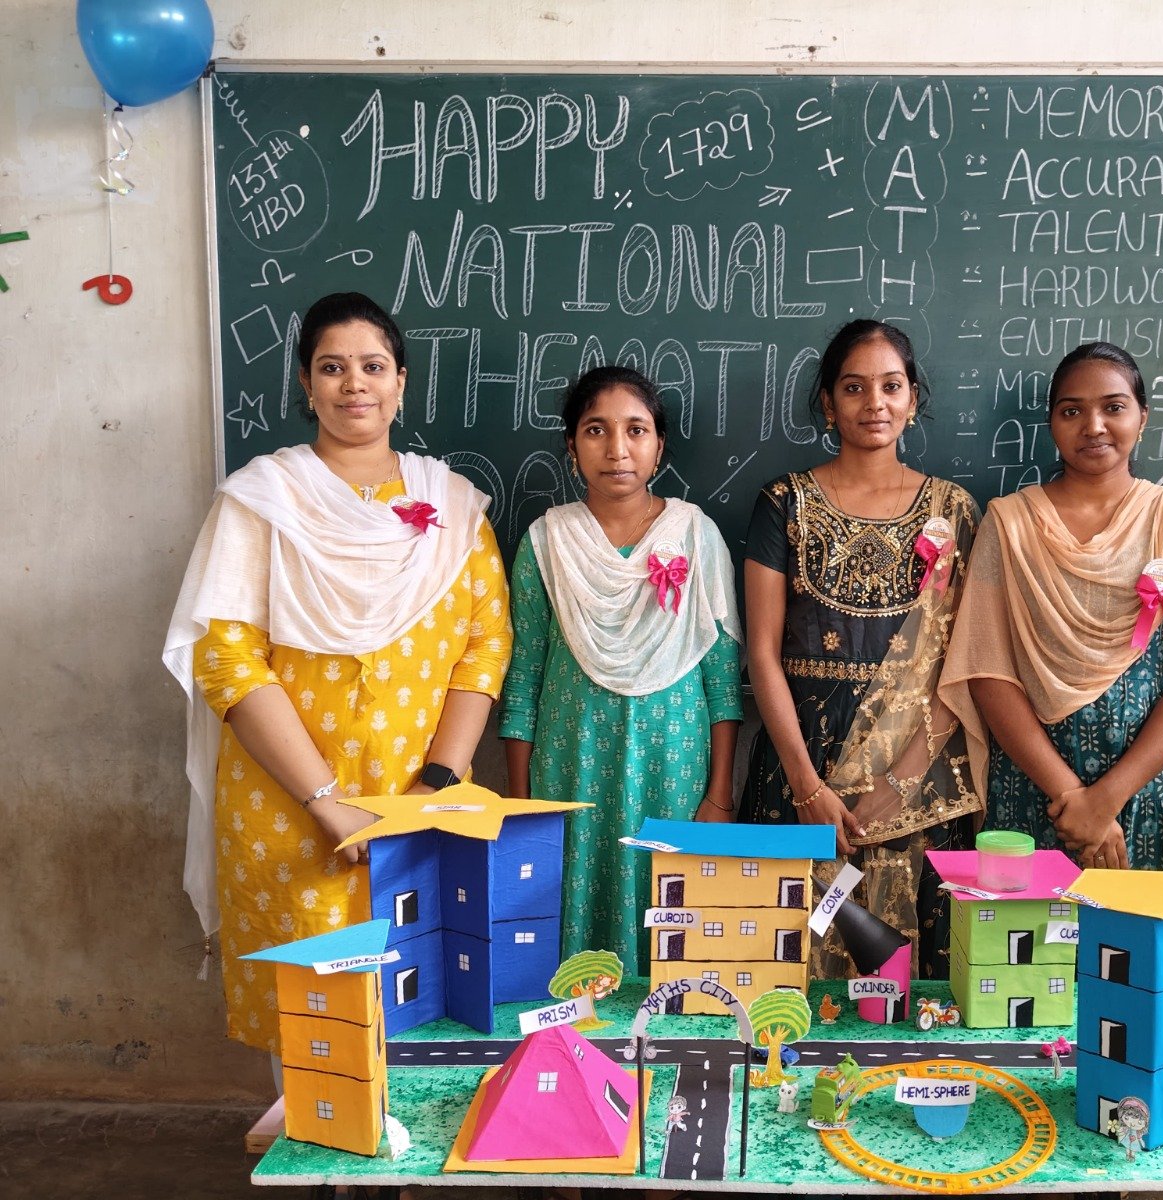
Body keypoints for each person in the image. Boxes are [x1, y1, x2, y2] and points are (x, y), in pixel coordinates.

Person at [164, 292, 511, 1056]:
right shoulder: (261, 501)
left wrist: (433, 788)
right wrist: (325, 803)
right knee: (312, 1030)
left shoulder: (451, 507)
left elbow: (484, 647)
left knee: (418, 1001)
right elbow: (225, 659)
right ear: (307, 383)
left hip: (418, 807)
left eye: (373, 366)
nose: (355, 383)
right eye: (332, 367)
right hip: (289, 810)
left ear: (401, 383)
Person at [740, 320, 981, 980]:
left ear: (912, 399)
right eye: (854, 388)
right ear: (828, 403)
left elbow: (963, 663)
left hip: (919, 779)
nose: (874, 402)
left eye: (891, 386)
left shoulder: (955, 511)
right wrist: (807, 787)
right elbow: (762, 652)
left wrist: (898, 783)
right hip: (799, 772)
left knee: (908, 981)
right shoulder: (784, 504)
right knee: (790, 968)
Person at [941, 342, 1163, 881]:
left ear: (1142, 417)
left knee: (1143, 935)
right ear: (1052, 424)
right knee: (1030, 937)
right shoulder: (1010, 524)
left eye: (1114, 407)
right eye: (1072, 411)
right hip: (1038, 796)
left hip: (1150, 792)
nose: (1094, 426)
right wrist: (1071, 795)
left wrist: (1106, 799)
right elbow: (986, 670)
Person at [499, 366, 742, 975]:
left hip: (674, 769)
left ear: (659, 445)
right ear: (571, 444)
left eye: (636, 430)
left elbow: (722, 681)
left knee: (673, 932)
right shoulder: (546, 542)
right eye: (595, 430)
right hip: (571, 766)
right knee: (568, 936)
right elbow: (524, 676)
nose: (616, 449)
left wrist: (720, 793)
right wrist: (521, 807)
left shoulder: (696, 536)